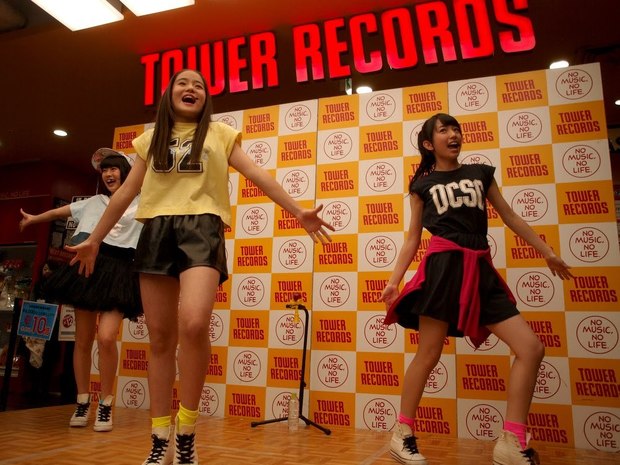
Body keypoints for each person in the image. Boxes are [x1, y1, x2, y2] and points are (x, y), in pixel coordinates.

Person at [67, 68, 334, 465]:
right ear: (169, 94)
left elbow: (256, 173)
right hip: (157, 229)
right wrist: (94, 238)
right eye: (183, 83)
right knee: (160, 339)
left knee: (193, 323)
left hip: (202, 228)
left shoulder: (220, 134)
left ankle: (187, 431)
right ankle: (160, 437)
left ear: (206, 98)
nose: (192, 88)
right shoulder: (149, 141)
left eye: (199, 85)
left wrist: (297, 210)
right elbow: (126, 192)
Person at [380, 113, 573, 465]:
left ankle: (511, 441)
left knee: (531, 348)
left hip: (479, 268)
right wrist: (394, 281)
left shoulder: (480, 173)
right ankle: (402, 433)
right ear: (429, 144)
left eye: (456, 129)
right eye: (444, 130)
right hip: (442, 269)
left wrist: (547, 252)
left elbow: (510, 216)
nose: (453, 134)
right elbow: (412, 238)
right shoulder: (422, 186)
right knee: (428, 354)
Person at [19, 149, 143, 432]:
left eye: (114, 168)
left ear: (127, 172)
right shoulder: (94, 201)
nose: (109, 174)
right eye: (105, 170)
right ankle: (83, 401)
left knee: (107, 337)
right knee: (83, 340)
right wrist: (33, 219)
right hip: (87, 267)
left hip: (120, 271)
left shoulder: (142, 203)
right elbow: (60, 212)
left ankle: (106, 404)